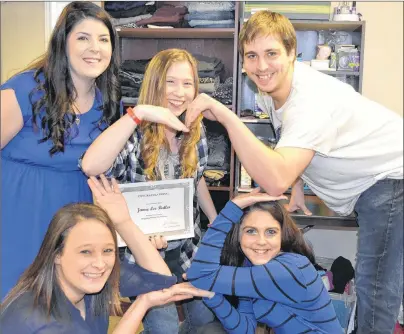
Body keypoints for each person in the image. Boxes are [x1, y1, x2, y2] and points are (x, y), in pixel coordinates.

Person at [185, 10, 403, 334]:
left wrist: (225, 116)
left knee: (375, 287)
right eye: (252, 56)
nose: (261, 66)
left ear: (292, 53)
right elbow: (286, 142)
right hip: (371, 182)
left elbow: (275, 178)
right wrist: (298, 182)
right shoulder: (274, 90)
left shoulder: (310, 102)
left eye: (271, 54)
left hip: (391, 178)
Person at [1, 1, 144, 300]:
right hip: (17, 219)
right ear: (62, 43)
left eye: (103, 39)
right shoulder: (25, 89)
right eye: (83, 38)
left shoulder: (110, 103)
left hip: (74, 224)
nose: (95, 48)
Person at [81, 49, 218, 333]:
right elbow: (91, 166)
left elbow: (197, 179)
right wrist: (139, 113)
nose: (179, 92)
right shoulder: (132, 132)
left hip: (187, 249)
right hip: (141, 253)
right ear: (155, 83)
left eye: (188, 83)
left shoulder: (196, 131)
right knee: (164, 326)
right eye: (170, 82)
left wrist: (214, 220)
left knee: (205, 317)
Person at [0, 175, 214, 333]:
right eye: (85, 251)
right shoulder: (39, 321)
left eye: (108, 250)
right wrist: (141, 306)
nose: (100, 263)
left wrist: (124, 222)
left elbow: (161, 281)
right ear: (56, 254)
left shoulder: (87, 282)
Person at [186, 189, 342, 333]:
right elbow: (245, 329)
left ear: (282, 235)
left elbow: (200, 275)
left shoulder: (288, 270)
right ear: (238, 236)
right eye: (251, 231)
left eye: (271, 232)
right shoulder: (251, 267)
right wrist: (212, 295)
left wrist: (232, 207)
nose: (261, 241)